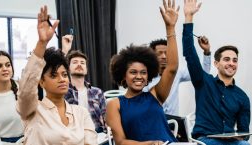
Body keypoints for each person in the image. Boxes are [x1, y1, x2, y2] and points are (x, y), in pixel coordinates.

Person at [16, 5, 97, 144]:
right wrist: (42, 43)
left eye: (65, 75)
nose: (62, 79)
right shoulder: (32, 110)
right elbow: (26, 90)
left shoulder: (80, 113)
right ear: (41, 82)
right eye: (53, 75)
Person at [106, 0, 179, 144]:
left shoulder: (155, 95)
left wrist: (170, 28)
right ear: (123, 75)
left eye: (143, 72)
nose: (139, 76)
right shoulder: (114, 104)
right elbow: (121, 142)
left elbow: (172, 68)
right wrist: (150, 144)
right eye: (133, 72)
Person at [182, 0, 250, 145]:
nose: (231, 63)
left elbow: (245, 133)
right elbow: (189, 54)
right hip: (206, 140)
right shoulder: (203, 81)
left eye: (235, 60)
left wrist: (240, 138)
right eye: (226, 59)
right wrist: (189, 17)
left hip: (230, 142)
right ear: (216, 63)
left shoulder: (242, 97)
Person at [143, 37, 211, 115]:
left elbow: (202, 73)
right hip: (152, 121)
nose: (164, 56)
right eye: (159, 53)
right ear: (151, 56)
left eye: (166, 53)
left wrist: (207, 51)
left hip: (174, 122)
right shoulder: (144, 77)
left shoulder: (177, 73)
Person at [65, 50, 107, 133]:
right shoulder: (63, 92)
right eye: (75, 62)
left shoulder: (97, 92)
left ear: (86, 70)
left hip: (98, 134)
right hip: (73, 135)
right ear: (68, 69)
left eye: (82, 63)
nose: (79, 64)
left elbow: (105, 115)